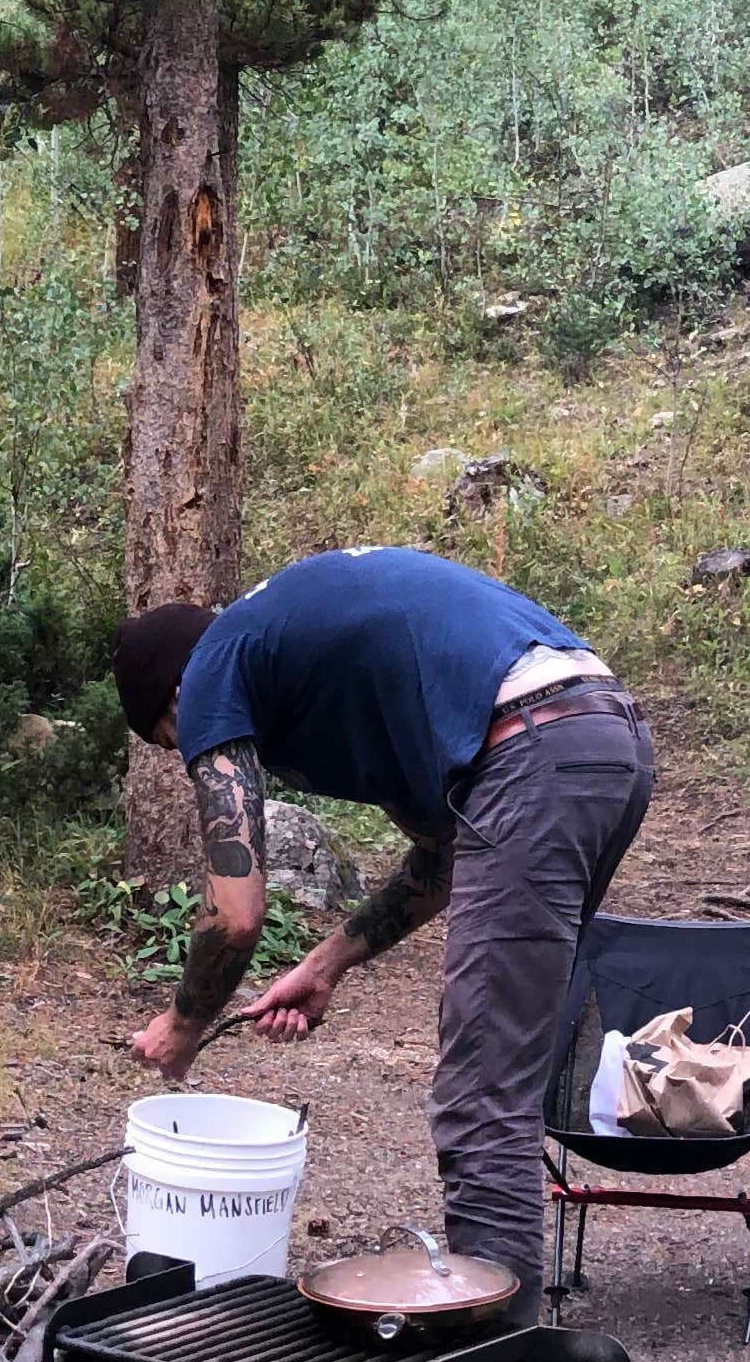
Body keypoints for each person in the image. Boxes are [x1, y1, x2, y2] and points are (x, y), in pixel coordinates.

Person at [113, 545, 654, 1283]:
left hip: (533, 751)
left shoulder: (211, 668)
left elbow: (235, 914)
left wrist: (182, 1026)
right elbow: (444, 860)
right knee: (505, 1074)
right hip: (604, 736)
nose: (190, 754)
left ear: (173, 701)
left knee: (482, 1101)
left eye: (173, 742)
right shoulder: (309, 666)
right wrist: (322, 965)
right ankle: (510, 1337)